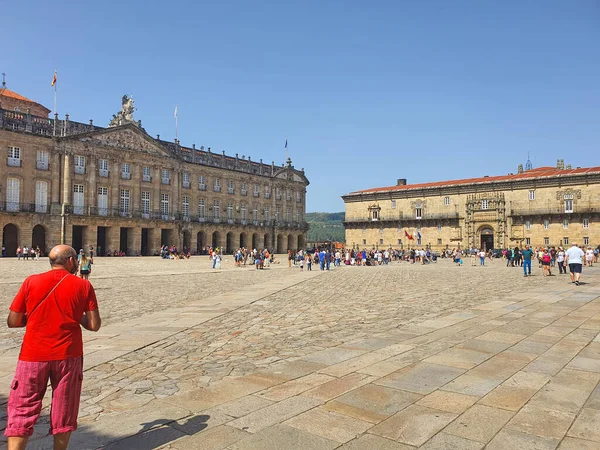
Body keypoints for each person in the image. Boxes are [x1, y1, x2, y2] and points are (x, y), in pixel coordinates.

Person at [4, 245, 101, 450]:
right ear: (71, 261)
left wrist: (35, 318)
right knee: (65, 406)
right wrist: (76, 315)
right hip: (68, 355)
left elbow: (12, 321)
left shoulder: (31, 281)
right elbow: (94, 325)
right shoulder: (83, 286)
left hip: (32, 355)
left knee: (22, 406)